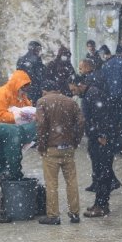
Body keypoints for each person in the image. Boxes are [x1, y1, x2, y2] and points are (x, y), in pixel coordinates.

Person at [36, 80, 85, 225]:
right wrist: (75, 140)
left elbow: (41, 125)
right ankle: (75, 214)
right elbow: (81, 122)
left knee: (51, 183)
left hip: (51, 148)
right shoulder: (71, 101)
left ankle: (53, 215)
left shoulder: (42, 102)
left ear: (45, 91)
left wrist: (41, 145)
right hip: (68, 148)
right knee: (72, 182)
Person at [75, 59, 118, 218]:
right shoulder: (90, 93)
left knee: (102, 172)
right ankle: (100, 203)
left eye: (74, 89)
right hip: (96, 138)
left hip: (101, 140)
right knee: (100, 172)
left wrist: (102, 135)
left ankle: (101, 204)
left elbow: (102, 116)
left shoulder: (93, 94)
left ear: (80, 85)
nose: (73, 92)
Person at [99, 44, 122, 155]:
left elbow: (102, 83)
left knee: (112, 123)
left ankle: (111, 146)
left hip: (110, 99)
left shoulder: (105, 65)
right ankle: (119, 147)